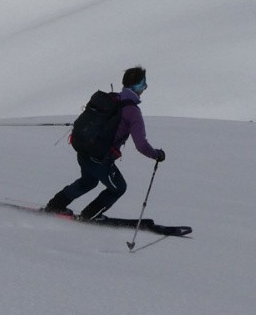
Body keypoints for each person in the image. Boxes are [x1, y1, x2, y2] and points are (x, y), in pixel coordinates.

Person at [45, 66, 166, 221]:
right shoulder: (132, 111)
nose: (145, 88)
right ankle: (90, 215)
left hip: (85, 150)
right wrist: (157, 154)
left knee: (88, 181)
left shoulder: (111, 99)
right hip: (99, 158)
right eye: (144, 84)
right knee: (118, 188)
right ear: (138, 86)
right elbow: (141, 145)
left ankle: (55, 205)